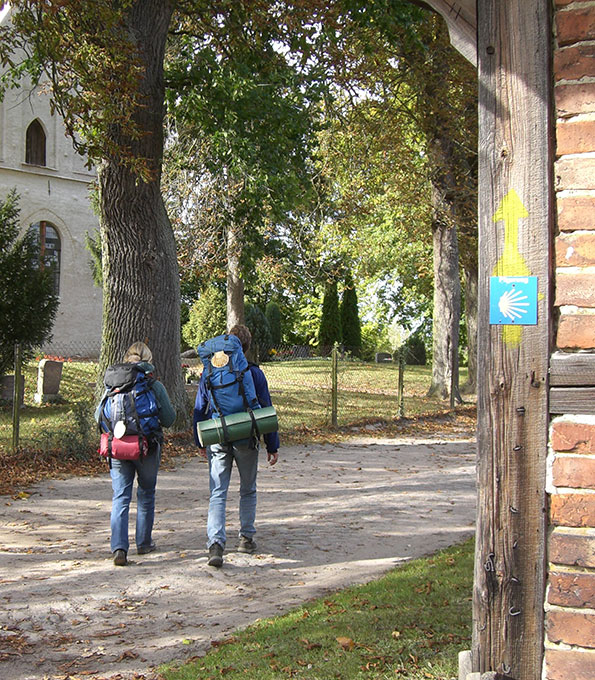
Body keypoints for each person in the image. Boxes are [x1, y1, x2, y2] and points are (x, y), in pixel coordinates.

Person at [193, 324, 279, 568]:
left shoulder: (210, 371)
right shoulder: (254, 373)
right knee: (248, 488)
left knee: (217, 491)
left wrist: (199, 439)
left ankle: (216, 545)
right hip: (246, 436)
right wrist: (272, 444)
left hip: (218, 435)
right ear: (246, 347)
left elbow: (200, 407)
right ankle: (246, 538)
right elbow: (265, 408)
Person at [95, 341, 175, 566]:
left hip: (118, 447)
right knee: (146, 494)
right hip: (146, 447)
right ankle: (144, 542)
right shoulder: (153, 385)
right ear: (148, 362)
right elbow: (169, 419)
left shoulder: (113, 385)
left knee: (120, 496)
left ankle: (119, 548)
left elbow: (98, 417)